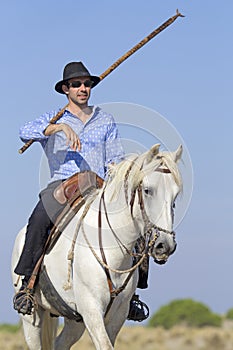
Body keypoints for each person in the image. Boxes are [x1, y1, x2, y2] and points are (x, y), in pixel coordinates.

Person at [13, 61, 149, 321]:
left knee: (138, 225)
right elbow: (23, 132)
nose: (83, 88)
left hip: (98, 186)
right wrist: (59, 128)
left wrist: (123, 174)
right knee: (40, 219)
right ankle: (27, 288)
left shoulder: (105, 119)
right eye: (76, 84)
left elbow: (115, 157)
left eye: (87, 84)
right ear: (66, 89)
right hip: (65, 185)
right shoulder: (55, 118)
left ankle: (131, 295)